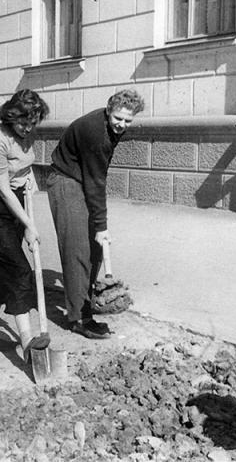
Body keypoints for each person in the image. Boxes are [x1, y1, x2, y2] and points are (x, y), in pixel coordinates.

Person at [46, 89, 145, 339]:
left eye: (128, 120)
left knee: (94, 249)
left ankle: (84, 303)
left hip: (82, 178)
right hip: (65, 181)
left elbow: (95, 178)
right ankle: (79, 318)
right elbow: (96, 182)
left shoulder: (110, 128)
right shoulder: (96, 133)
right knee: (78, 250)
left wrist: (99, 229)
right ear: (108, 110)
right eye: (118, 118)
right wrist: (102, 226)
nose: (122, 124)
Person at [0, 89, 49, 356]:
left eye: (33, 123)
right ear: (11, 116)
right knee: (18, 271)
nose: (28, 129)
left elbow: (24, 168)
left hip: (15, 202)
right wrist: (29, 224)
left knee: (0, 273)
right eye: (23, 123)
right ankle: (27, 339)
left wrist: (30, 183)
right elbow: (3, 190)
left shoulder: (27, 134)